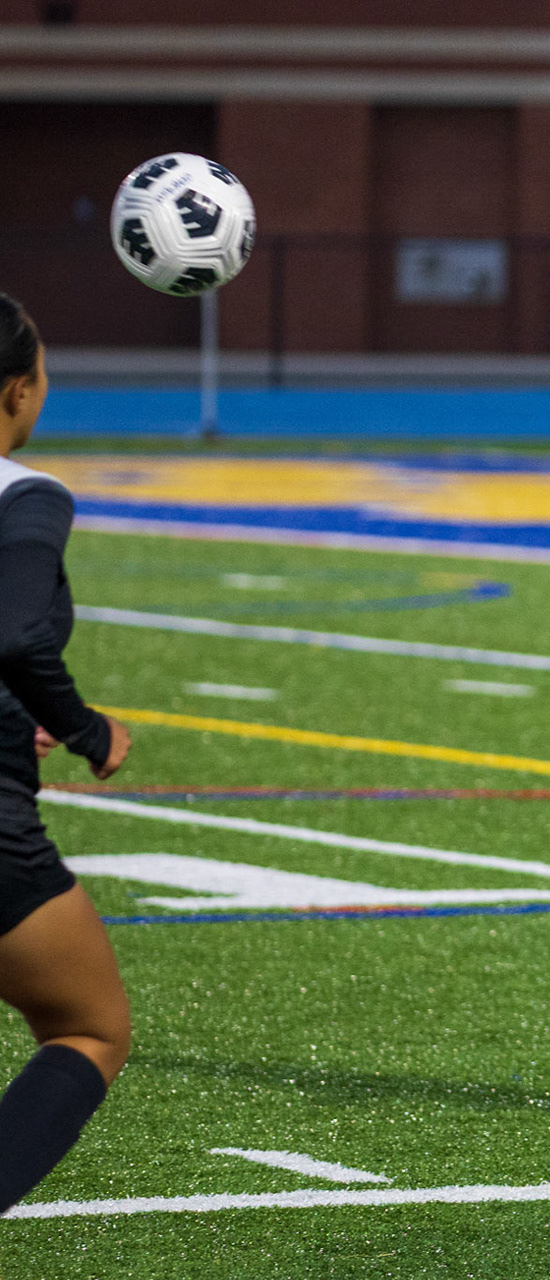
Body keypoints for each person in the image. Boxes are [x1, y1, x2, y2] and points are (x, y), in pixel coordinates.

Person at [0, 293, 135, 1214]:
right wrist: (85, 727)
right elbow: (13, 634)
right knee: (89, 1027)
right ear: (17, 390)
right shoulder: (26, 495)